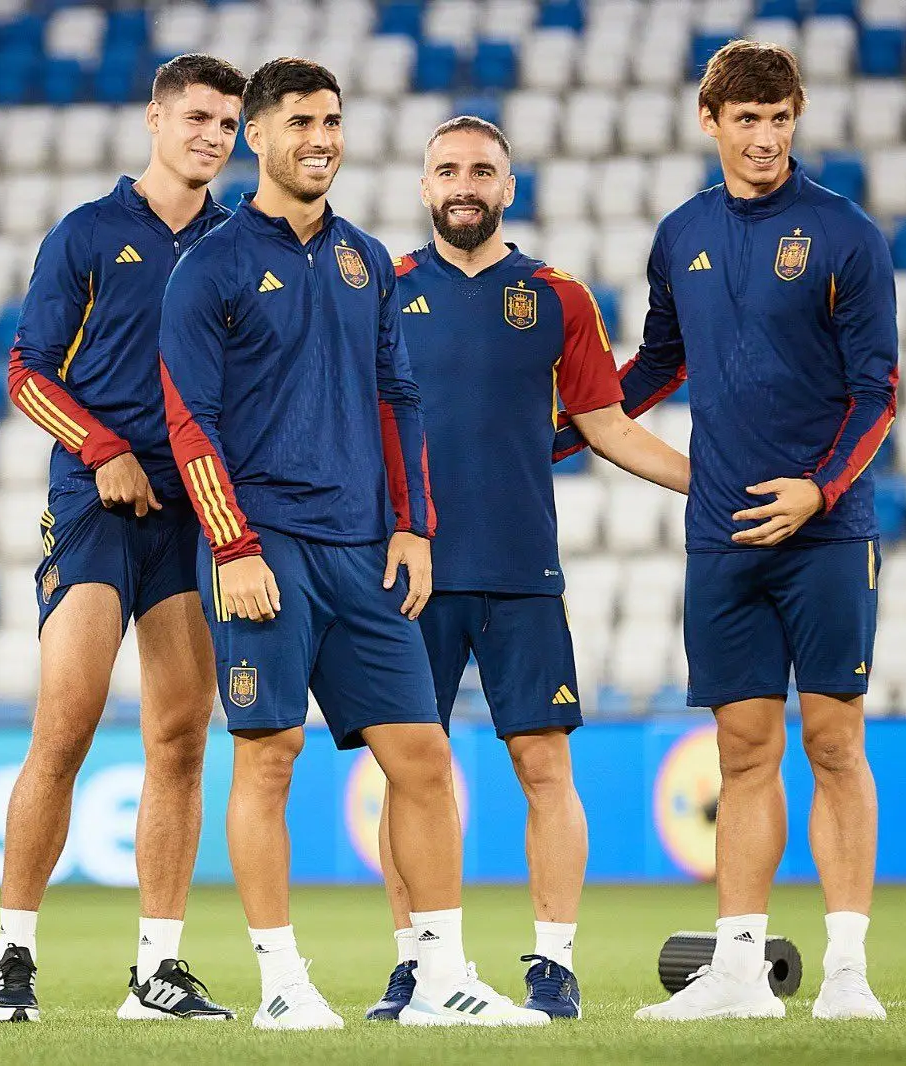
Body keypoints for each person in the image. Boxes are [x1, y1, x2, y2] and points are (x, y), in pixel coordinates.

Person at [160, 57, 549, 1031]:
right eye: (301, 121)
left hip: (362, 550)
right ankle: (283, 983)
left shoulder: (365, 260)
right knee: (270, 755)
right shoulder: (207, 265)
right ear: (257, 136)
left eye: (332, 119)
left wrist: (414, 523)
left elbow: (398, 398)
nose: (321, 137)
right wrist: (232, 543)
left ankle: (442, 975)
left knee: (420, 756)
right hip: (264, 545)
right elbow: (187, 420)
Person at [365, 116, 691, 1023]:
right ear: (424, 186)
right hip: (408, 571)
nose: (464, 184)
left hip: (520, 570)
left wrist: (707, 487)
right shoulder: (379, 292)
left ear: (509, 188)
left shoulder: (558, 296)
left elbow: (608, 424)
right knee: (408, 770)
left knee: (545, 767)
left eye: (482, 170)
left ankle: (553, 965)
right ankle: (420, 963)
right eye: (447, 170)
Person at [624, 41, 896, 1023]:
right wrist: (561, 428)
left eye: (779, 116)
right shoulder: (679, 235)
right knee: (741, 748)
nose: (765, 135)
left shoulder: (843, 234)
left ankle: (847, 970)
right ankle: (739, 970)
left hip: (824, 531)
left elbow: (879, 395)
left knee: (831, 739)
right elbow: (656, 363)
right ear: (710, 124)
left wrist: (818, 495)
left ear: (797, 116)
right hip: (722, 533)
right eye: (746, 118)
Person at [0, 54, 246, 1025]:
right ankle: (12, 957)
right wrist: (99, 448)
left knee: (180, 736)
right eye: (199, 117)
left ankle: (158, 971)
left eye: (227, 123)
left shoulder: (238, 245)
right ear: (155, 119)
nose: (213, 135)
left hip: (190, 510)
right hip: (94, 500)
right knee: (68, 722)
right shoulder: (88, 233)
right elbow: (25, 370)